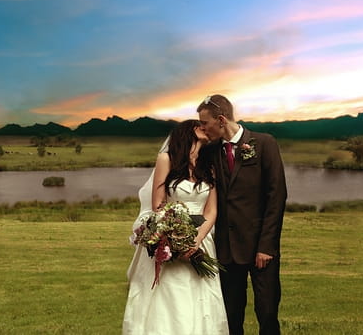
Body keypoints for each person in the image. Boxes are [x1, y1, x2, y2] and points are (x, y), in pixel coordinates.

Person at [122, 119, 229, 335]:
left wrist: (195, 240)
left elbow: (211, 211)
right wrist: (174, 236)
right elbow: (158, 204)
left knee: (202, 297)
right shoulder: (166, 159)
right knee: (171, 296)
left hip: (202, 240)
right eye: (198, 124)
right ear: (187, 131)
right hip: (170, 235)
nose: (204, 127)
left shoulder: (208, 166)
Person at [197, 95, 287, 335]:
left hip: (261, 249)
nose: (202, 128)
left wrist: (267, 246)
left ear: (221, 120)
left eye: (205, 123)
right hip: (226, 250)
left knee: (267, 314)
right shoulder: (209, 152)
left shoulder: (265, 143)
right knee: (230, 316)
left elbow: (276, 197)